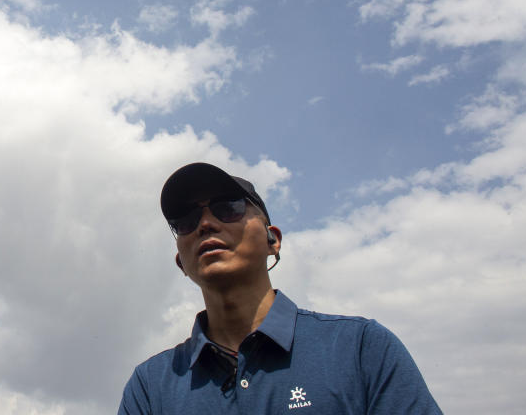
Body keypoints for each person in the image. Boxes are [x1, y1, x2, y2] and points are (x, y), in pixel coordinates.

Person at [117, 162, 442, 414]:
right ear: (181, 263)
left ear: (273, 240)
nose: (205, 224)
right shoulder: (150, 386)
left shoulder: (360, 348)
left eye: (228, 207)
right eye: (186, 220)